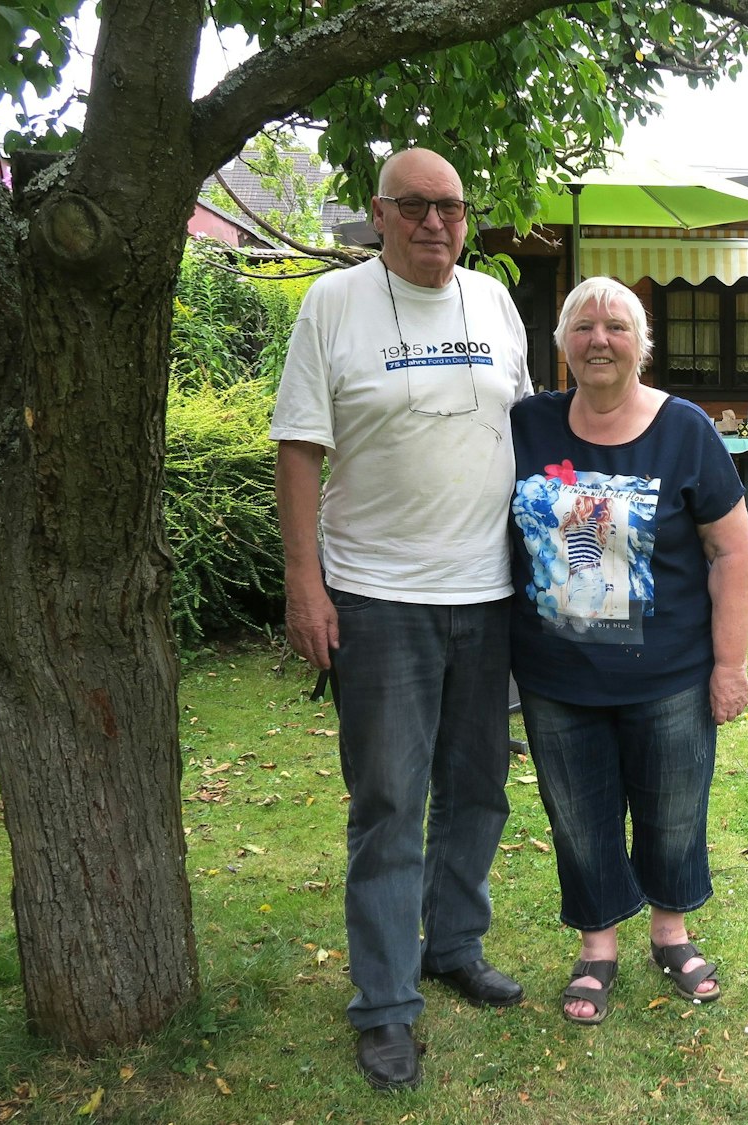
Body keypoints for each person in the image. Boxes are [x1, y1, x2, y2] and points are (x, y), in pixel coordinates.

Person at [270, 147, 533, 1091]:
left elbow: (522, 430)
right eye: (415, 206)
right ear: (379, 213)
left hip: (489, 591)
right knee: (388, 804)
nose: (435, 223)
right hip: (378, 596)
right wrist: (306, 583)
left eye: (452, 208)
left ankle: (453, 943)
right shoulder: (331, 306)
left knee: (479, 787)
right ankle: (384, 1006)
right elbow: (299, 450)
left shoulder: (497, 305)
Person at [508, 276, 748, 1025]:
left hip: (670, 674)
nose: (599, 339)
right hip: (558, 676)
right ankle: (597, 946)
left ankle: (671, 933)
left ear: (640, 344)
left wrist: (729, 665)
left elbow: (732, 553)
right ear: (562, 347)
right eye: (582, 326)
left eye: (616, 325)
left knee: (673, 810)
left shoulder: (685, 431)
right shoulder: (527, 425)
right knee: (579, 816)